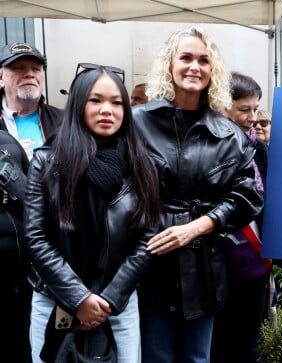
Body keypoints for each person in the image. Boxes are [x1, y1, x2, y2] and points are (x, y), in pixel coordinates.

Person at [132, 26, 264, 363]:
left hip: (205, 266)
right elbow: (119, 190)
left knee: (197, 357)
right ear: (170, 65)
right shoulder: (136, 124)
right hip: (150, 261)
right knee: (155, 356)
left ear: (213, 70)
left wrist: (198, 225)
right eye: (186, 57)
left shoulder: (229, 133)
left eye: (204, 60)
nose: (195, 66)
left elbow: (247, 196)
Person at [24, 63, 161, 363]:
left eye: (116, 102)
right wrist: (79, 298)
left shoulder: (141, 165)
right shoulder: (47, 163)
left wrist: (108, 299)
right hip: (54, 300)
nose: (107, 110)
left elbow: (146, 239)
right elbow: (36, 238)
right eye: (95, 100)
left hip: (118, 304)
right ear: (77, 105)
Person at [0, 41, 63, 362]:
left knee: (51, 345)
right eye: (18, 68)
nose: (29, 74)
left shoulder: (65, 123)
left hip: (54, 254)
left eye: (36, 69)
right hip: (7, 260)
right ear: (1, 77)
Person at [211, 72, 270, 363]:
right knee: (217, 345)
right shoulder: (208, 147)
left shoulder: (259, 149)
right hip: (218, 262)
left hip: (254, 262)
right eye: (244, 110)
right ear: (223, 108)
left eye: (256, 109)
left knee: (248, 346)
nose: (253, 117)